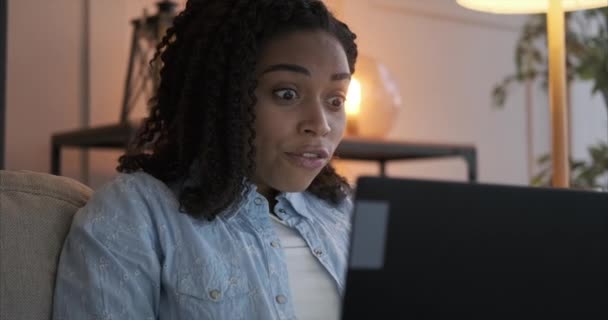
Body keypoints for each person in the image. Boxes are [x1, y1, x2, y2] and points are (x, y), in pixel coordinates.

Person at [52, 0, 358, 319]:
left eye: (335, 100)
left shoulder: (347, 214)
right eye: (287, 94)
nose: (320, 124)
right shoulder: (136, 212)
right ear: (224, 97)